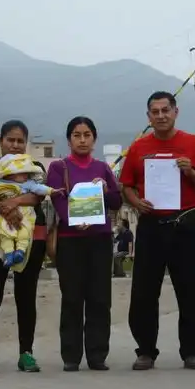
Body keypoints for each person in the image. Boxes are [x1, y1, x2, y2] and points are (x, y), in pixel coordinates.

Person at [119, 91, 195, 370]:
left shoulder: (194, 144)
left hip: (184, 225)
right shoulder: (138, 148)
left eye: (165, 110)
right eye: (155, 111)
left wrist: (191, 173)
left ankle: (191, 352)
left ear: (176, 112)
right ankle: (145, 351)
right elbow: (126, 185)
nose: (160, 116)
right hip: (151, 225)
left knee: (189, 291)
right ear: (148, 116)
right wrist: (136, 202)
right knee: (144, 292)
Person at [45, 116, 123, 372]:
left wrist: (105, 189)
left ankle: (97, 354)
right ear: (69, 139)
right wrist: (71, 220)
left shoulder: (103, 168)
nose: (82, 139)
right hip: (70, 241)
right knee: (72, 298)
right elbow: (57, 200)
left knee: (100, 298)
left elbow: (116, 202)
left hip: (100, 240)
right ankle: (71, 356)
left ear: (94, 139)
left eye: (87, 134)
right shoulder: (58, 167)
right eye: (77, 135)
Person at [0, 120, 48, 374]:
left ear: (25, 143)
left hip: (30, 237)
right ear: (0, 141)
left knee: (26, 296)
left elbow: (37, 195)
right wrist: (6, 209)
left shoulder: (34, 167)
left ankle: (26, 353)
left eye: (19, 141)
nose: (15, 145)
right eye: (10, 140)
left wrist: (9, 203)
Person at [0, 154, 61, 268]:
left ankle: (20, 251)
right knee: (4, 233)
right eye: (22, 172)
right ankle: (9, 254)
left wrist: (52, 191)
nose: (26, 175)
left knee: (24, 230)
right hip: (1, 216)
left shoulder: (28, 183)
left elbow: (40, 189)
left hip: (24, 214)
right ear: (10, 174)